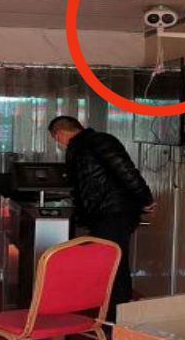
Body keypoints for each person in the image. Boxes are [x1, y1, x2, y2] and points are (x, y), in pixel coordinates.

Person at [48, 116, 155, 321]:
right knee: (112, 264)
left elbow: (126, 171)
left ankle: (118, 319)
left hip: (112, 213)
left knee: (115, 266)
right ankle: (112, 315)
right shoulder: (92, 143)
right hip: (107, 213)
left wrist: (144, 198)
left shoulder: (94, 143)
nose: (59, 143)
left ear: (59, 134)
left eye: (57, 139)